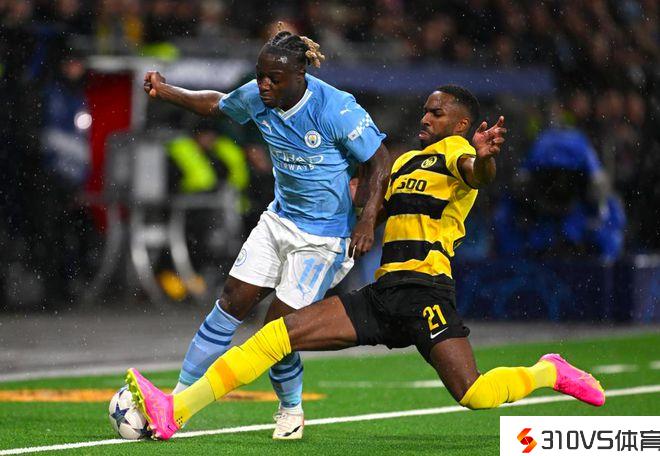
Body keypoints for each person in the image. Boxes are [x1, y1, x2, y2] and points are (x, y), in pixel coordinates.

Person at [126, 85, 605, 441]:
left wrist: (484, 158)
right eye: (425, 109)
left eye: (436, 112)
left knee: (474, 394)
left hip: (425, 293)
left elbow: (478, 174)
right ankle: (176, 410)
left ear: (460, 125)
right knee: (276, 334)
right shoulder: (404, 163)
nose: (426, 117)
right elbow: (365, 196)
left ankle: (548, 371)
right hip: (383, 293)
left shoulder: (458, 152)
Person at [142, 25, 391, 439]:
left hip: (323, 239)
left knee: (275, 332)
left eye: (274, 78)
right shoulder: (259, 97)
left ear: (300, 75)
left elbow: (380, 160)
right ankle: (175, 402)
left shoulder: (336, 108)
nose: (263, 85)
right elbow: (217, 105)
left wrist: (367, 220)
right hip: (279, 220)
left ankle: (291, 410)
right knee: (231, 301)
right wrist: (167, 91)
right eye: (260, 76)